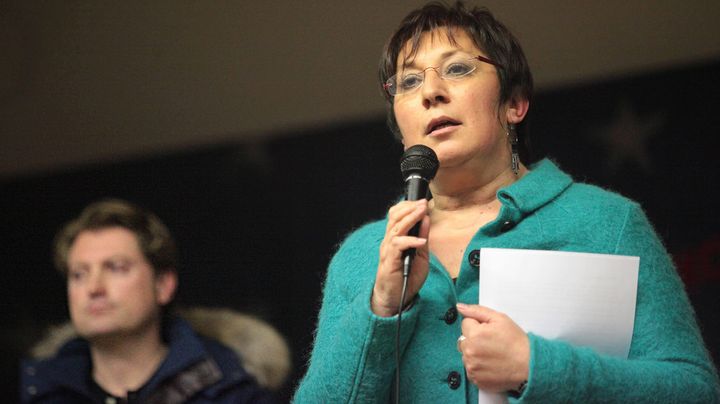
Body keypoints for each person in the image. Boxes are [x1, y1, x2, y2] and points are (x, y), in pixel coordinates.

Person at [293, 2, 720, 403]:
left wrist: (535, 367)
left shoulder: (608, 222)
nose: (431, 92)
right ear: (400, 126)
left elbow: (695, 391)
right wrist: (383, 306)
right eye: (408, 81)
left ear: (514, 103)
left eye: (457, 69)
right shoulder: (362, 255)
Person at [20, 199, 286, 403]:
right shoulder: (40, 392)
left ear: (163, 286)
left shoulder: (232, 393)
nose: (93, 288)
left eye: (116, 267)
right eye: (79, 274)